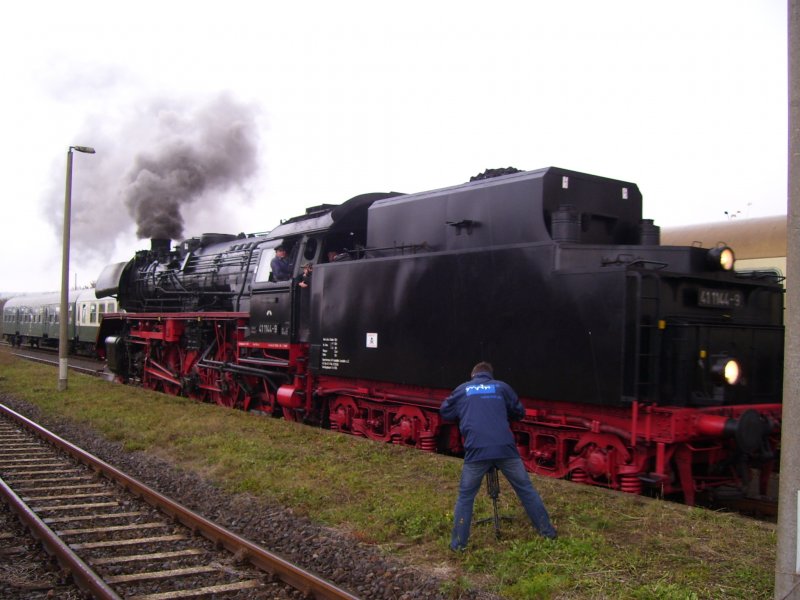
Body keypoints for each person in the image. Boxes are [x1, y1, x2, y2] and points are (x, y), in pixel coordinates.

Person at [440, 361, 557, 551]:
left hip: (476, 451)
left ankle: (459, 544)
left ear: (473, 375)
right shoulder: (501, 387)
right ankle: (547, 532)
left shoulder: (463, 389)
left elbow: (445, 411)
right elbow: (519, 412)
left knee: (466, 496)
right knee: (526, 489)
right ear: (490, 375)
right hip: (505, 450)